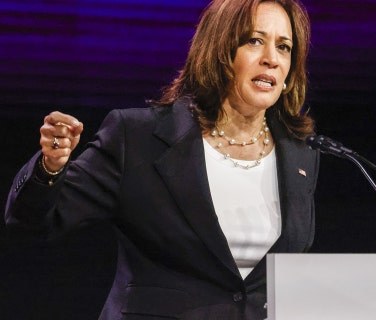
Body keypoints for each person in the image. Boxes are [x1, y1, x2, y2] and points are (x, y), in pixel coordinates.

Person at [4, 0, 319, 319]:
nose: (272, 59)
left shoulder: (299, 154)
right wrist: (50, 168)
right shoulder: (138, 137)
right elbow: (35, 223)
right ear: (219, 49)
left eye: (284, 47)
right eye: (254, 40)